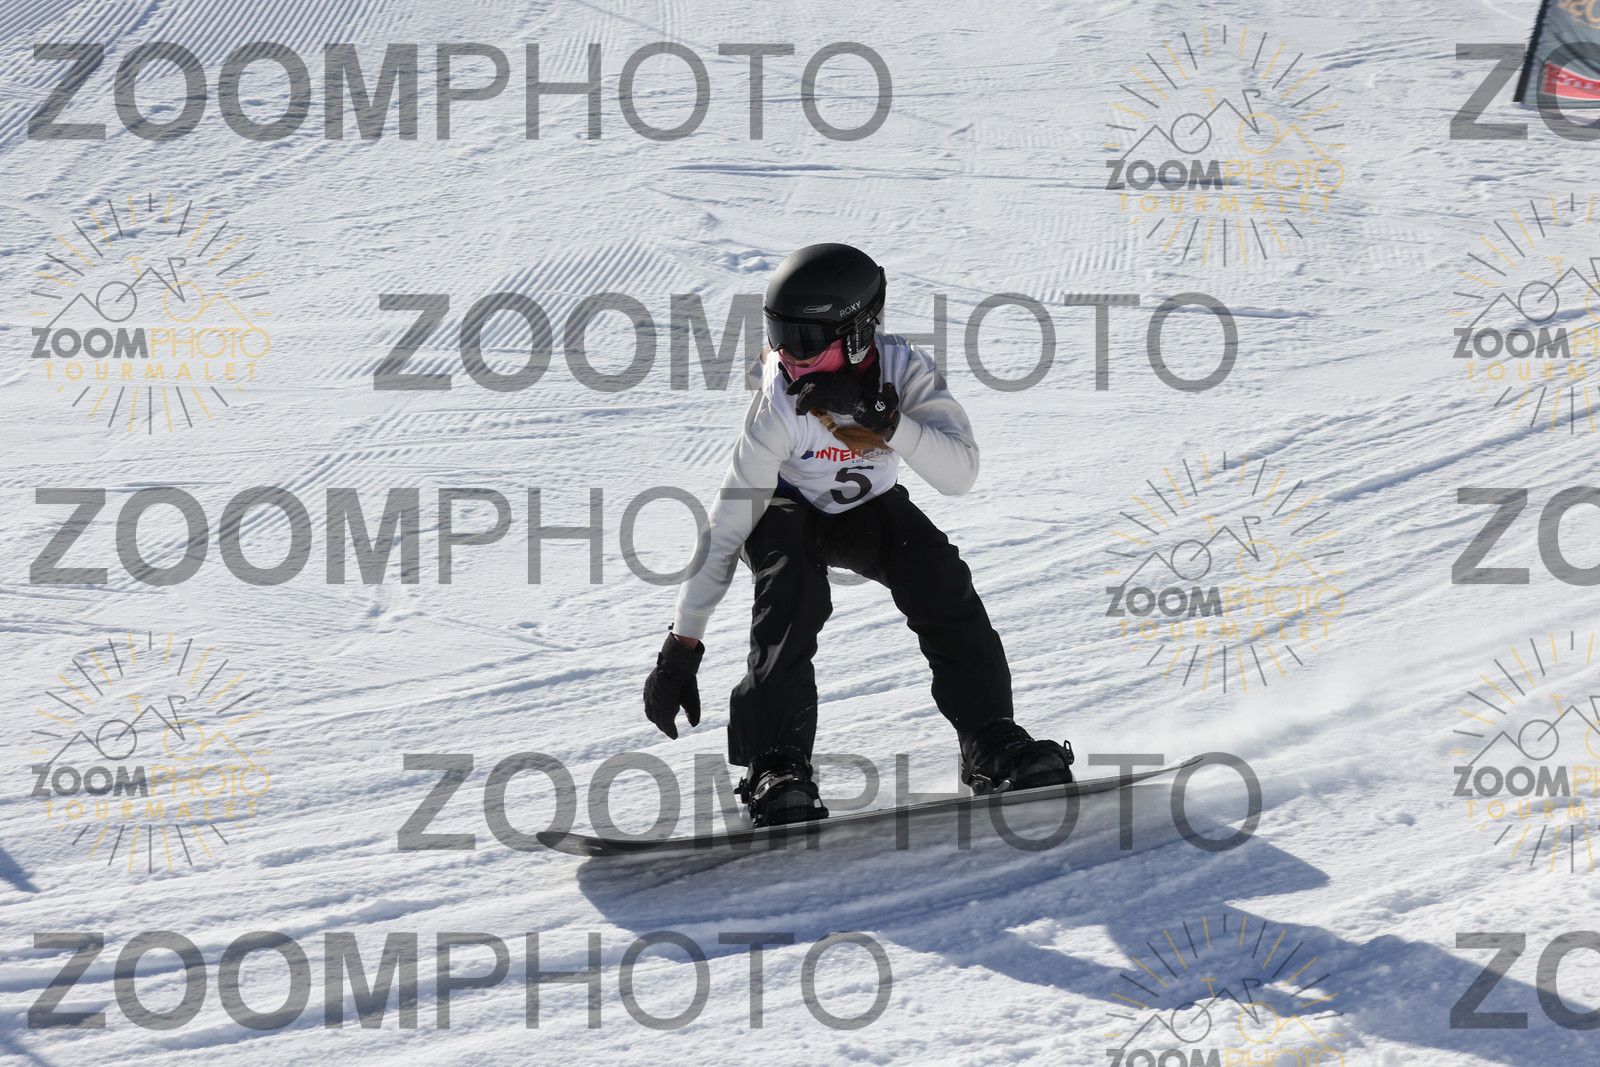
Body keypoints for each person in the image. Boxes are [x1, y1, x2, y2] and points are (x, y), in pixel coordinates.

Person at [642, 243, 1073, 827]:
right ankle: (775, 762)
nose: (787, 356)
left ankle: (990, 738)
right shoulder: (778, 404)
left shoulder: (903, 371)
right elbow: (728, 525)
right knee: (792, 589)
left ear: (858, 334)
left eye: (805, 340)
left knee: (937, 575)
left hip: (865, 506)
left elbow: (960, 475)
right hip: (784, 509)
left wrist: (887, 421)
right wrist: (682, 645)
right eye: (778, 336)